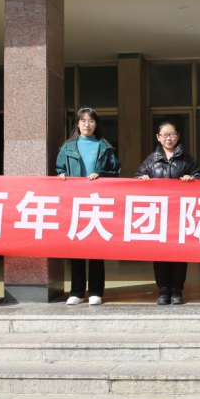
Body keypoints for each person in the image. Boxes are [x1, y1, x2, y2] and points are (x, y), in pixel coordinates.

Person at [136, 120, 200, 305]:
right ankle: (163, 289)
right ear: (158, 138)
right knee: (160, 253)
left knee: (179, 252)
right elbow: (136, 179)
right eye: (165, 135)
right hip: (159, 214)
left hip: (179, 214)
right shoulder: (151, 160)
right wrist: (142, 179)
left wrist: (193, 178)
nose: (169, 138)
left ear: (178, 136)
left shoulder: (187, 159)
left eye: (172, 134)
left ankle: (177, 289)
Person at [56, 107, 121, 306]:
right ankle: (76, 292)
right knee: (76, 247)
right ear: (77, 124)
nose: (87, 124)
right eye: (83, 120)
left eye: (91, 121)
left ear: (96, 124)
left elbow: (116, 171)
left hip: (97, 202)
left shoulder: (104, 146)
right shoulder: (67, 147)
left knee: (96, 249)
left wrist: (101, 174)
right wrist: (61, 175)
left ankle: (95, 291)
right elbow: (59, 168)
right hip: (74, 203)